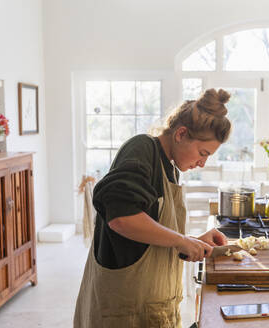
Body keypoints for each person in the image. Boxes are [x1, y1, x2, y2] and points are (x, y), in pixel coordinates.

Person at [73, 88, 232, 328]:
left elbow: (152, 232)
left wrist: (192, 241)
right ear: (180, 134)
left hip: (153, 308)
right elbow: (122, 218)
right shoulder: (142, 149)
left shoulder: (169, 166)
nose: (202, 163)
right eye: (202, 153)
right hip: (123, 312)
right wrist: (180, 240)